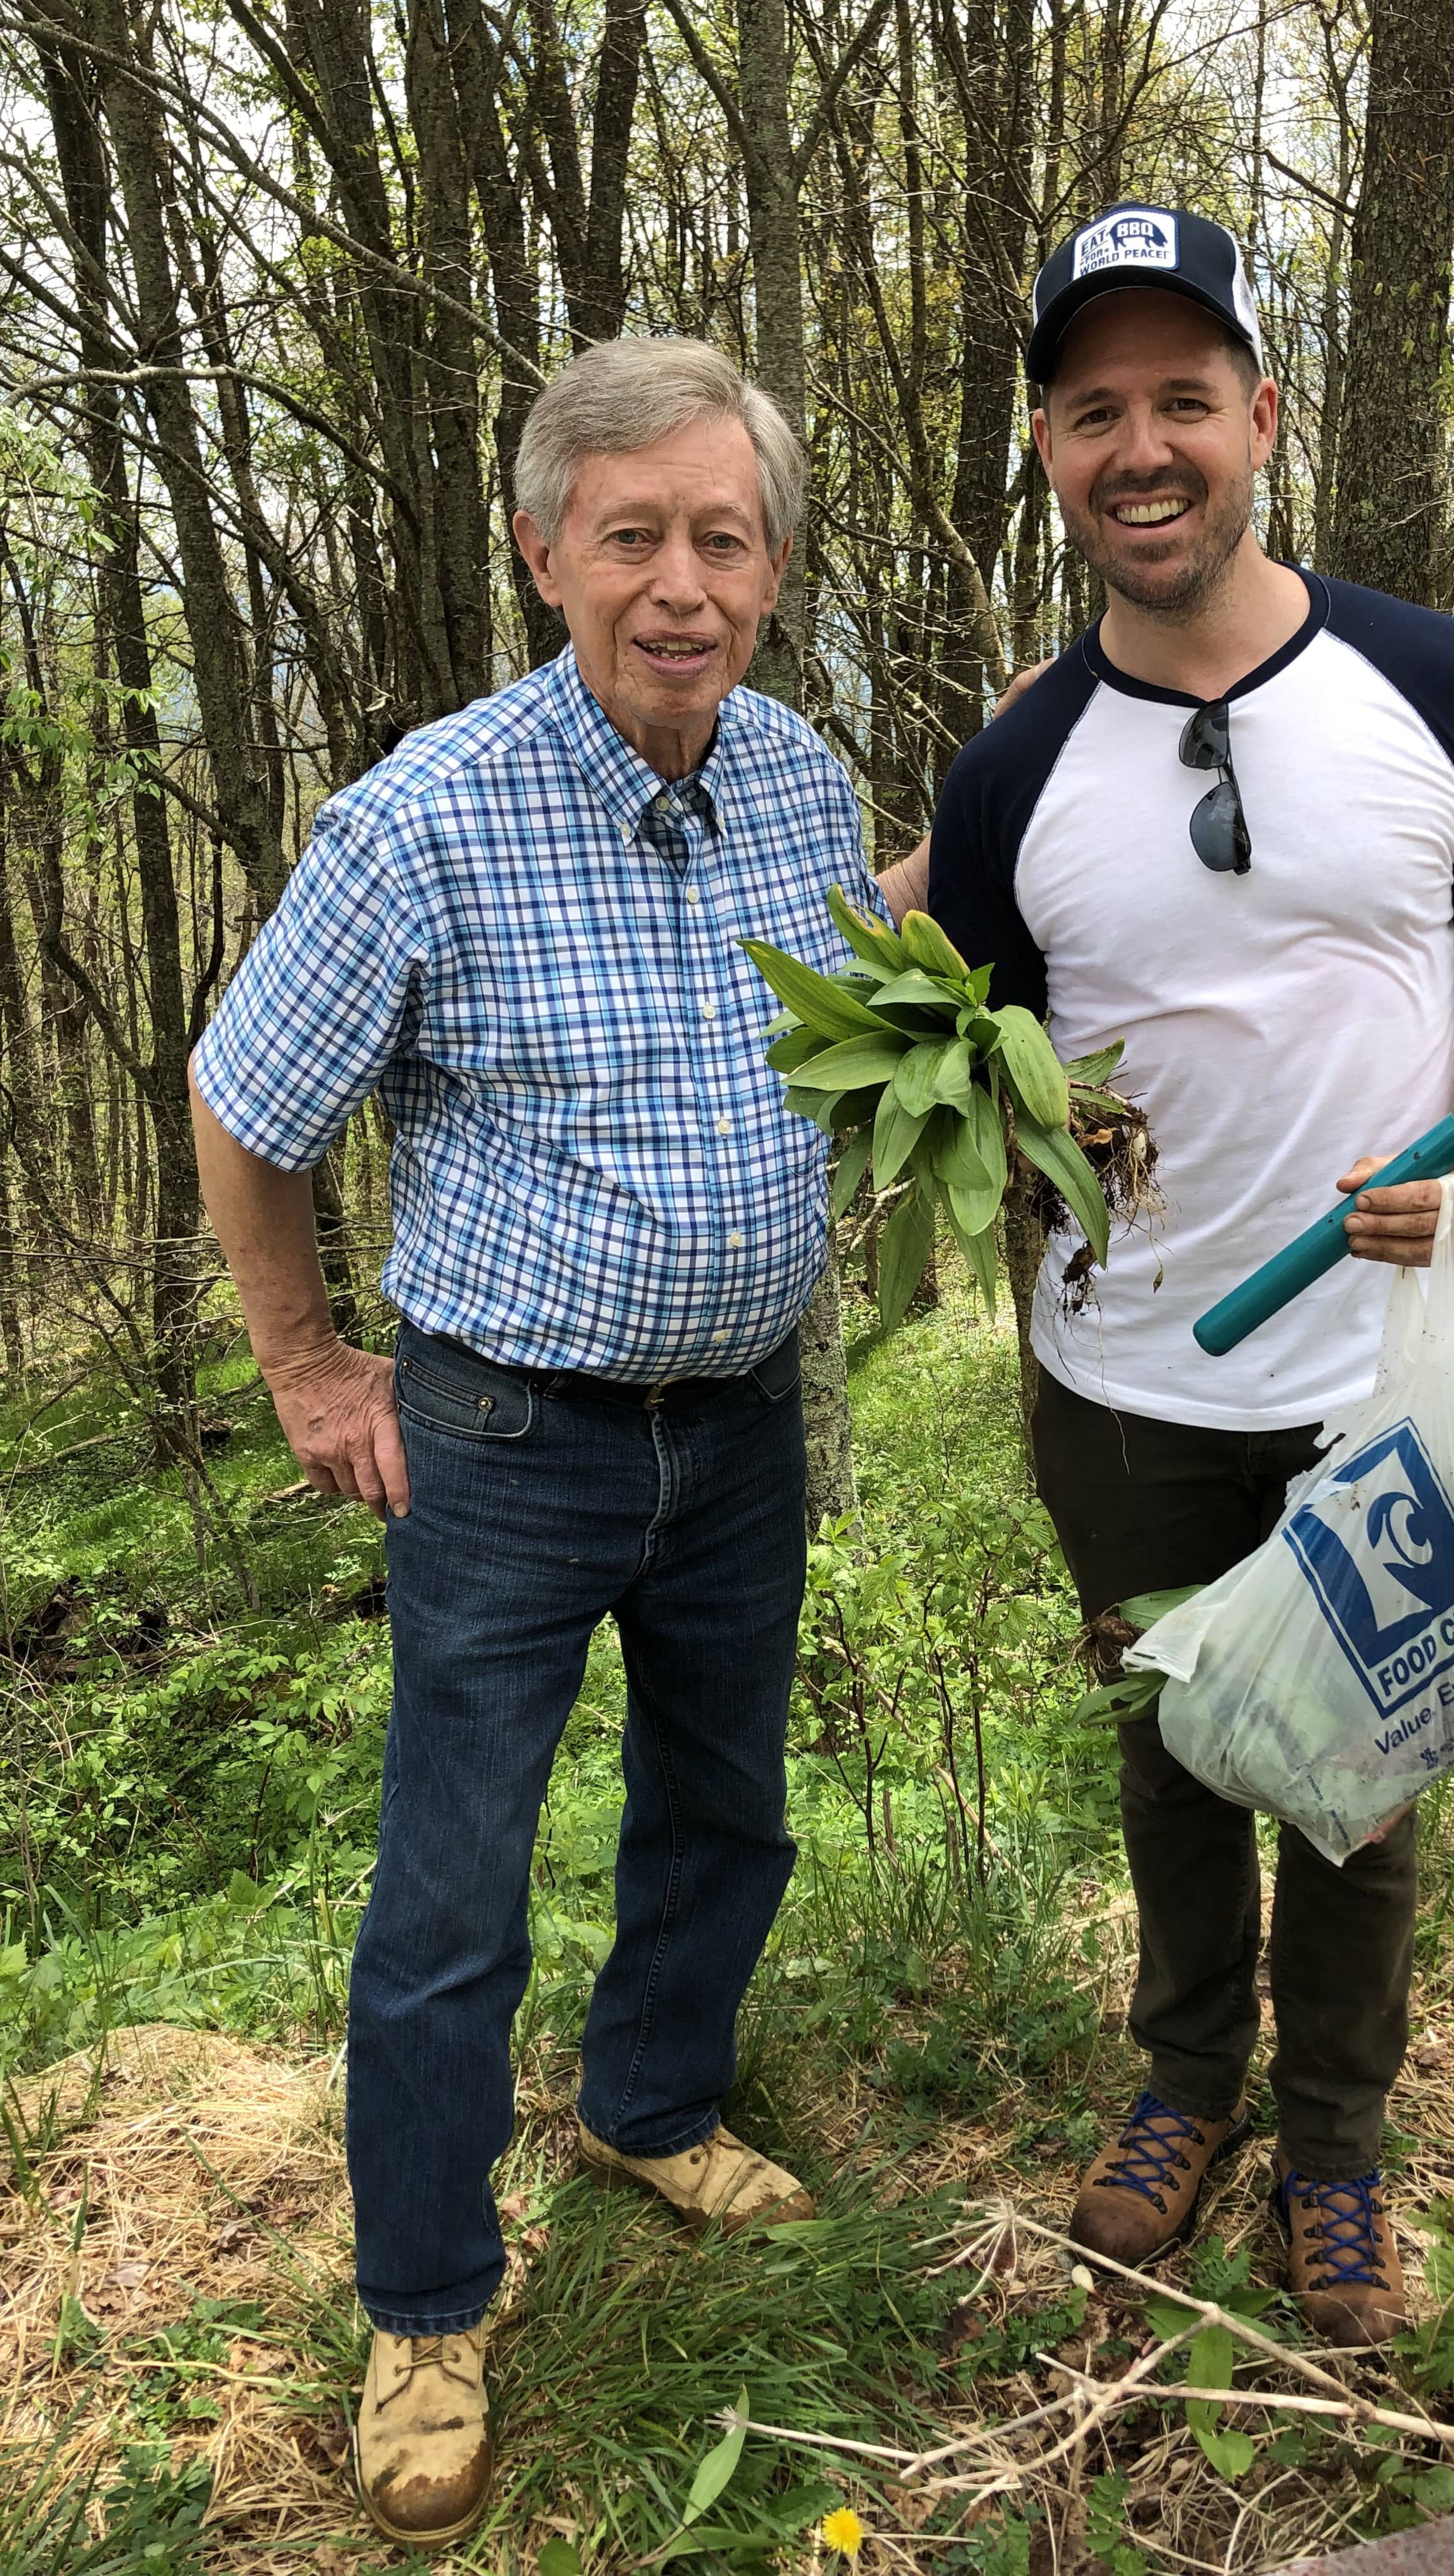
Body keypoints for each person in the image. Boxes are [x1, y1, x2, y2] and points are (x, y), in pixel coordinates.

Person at [190, 338, 888, 2544]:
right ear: (541, 550)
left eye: (724, 537)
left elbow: (869, 1004)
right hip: (502, 1436)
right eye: (634, 536)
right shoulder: (424, 816)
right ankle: (422, 2297)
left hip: (743, 1426)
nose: (681, 583)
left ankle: (651, 2102)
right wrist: (312, 1369)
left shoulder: (794, 778)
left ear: (771, 566)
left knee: (723, 1809)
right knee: (452, 1889)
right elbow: (245, 1102)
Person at [924, 205, 1454, 2343]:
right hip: (1125, 1377)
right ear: (1048, 445)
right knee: (1178, 1747)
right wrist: (1042, 1134)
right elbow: (975, 1047)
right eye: (1096, 406)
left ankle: (1334, 2149)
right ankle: (1181, 2083)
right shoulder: (1015, 764)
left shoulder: (1447, 682)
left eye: (1183, 401)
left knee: (1362, 1760)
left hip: (1369, 1367)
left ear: (1260, 421)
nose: (1145, 446)